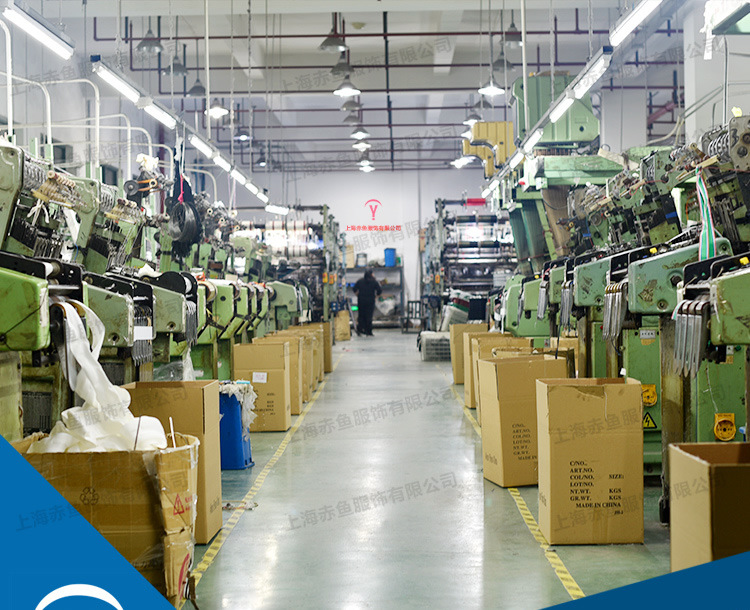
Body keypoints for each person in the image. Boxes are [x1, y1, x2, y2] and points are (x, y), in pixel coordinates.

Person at [353, 268, 382, 336]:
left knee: (361, 315)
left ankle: (360, 329)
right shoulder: (374, 282)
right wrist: (376, 296)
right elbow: (379, 291)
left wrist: (358, 295)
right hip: (370, 301)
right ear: (371, 274)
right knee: (369, 316)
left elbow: (354, 289)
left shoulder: (360, 281)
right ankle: (368, 331)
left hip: (361, 301)